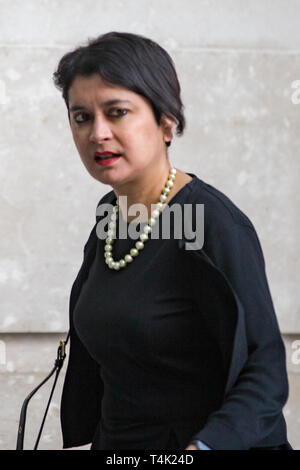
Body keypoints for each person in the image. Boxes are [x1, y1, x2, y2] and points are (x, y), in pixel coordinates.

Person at [53, 31, 292, 450]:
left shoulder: (213, 223)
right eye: (82, 117)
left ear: (166, 122)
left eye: (118, 112)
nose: (98, 133)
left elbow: (265, 369)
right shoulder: (111, 215)